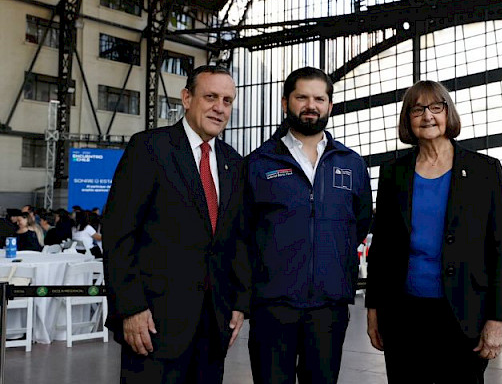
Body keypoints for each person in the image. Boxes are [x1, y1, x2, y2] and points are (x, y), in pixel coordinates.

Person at [103, 65, 251, 384]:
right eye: (210, 97)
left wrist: (239, 304)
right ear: (187, 98)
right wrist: (130, 308)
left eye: (227, 100)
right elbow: (119, 233)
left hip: (213, 327)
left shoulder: (234, 163)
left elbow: (237, 239)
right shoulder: (149, 148)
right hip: (153, 325)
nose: (219, 108)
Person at [365, 80, 502, 384]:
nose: (427, 115)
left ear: (449, 113)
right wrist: (373, 309)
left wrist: (498, 319)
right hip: (403, 314)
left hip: (463, 314)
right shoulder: (393, 173)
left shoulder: (484, 171)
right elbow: (380, 249)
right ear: (408, 119)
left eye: (436, 107)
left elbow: (500, 250)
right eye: (417, 109)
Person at [245, 67, 372, 384]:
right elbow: (242, 232)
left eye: (319, 98)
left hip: (329, 307)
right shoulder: (259, 163)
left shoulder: (351, 163)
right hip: (273, 306)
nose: (311, 105)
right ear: (286, 102)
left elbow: (359, 223)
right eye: (302, 97)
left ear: (330, 106)